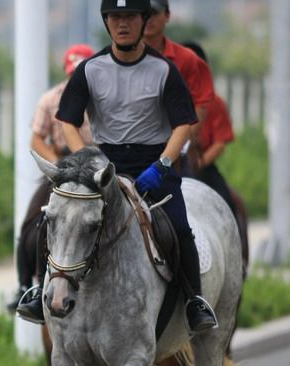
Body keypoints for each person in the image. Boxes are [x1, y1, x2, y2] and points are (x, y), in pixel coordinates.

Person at [56, 0, 218, 333]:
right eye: (115, 17)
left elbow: (184, 125)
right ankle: (38, 290)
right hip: (105, 164)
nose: (123, 23)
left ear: (144, 21)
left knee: (179, 228)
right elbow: (68, 122)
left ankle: (194, 302)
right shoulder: (90, 69)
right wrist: (85, 159)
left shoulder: (164, 70)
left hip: (154, 163)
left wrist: (162, 166)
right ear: (106, 22)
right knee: (59, 217)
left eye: (130, 16)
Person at [13, 43, 95, 323]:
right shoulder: (50, 99)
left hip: (98, 168)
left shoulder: (103, 97)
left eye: (82, 72)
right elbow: (37, 138)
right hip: (63, 166)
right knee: (34, 221)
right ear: (66, 71)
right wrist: (57, 166)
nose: (77, 78)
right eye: (74, 72)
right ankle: (29, 288)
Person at [143, 0, 216, 174]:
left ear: (167, 15)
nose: (148, 19)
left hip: (176, 152)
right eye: (142, 13)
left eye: (154, 13)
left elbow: (200, 105)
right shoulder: (120, 60)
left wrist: (179, 146)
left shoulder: (187, 59)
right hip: (130, 150)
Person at [182, 41, 239, 218]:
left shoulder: (215, 103)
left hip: (200, 166)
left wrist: (199, 163)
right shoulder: (166, 100)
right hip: (169, 165)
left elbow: (220, 143)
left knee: (228, 204)